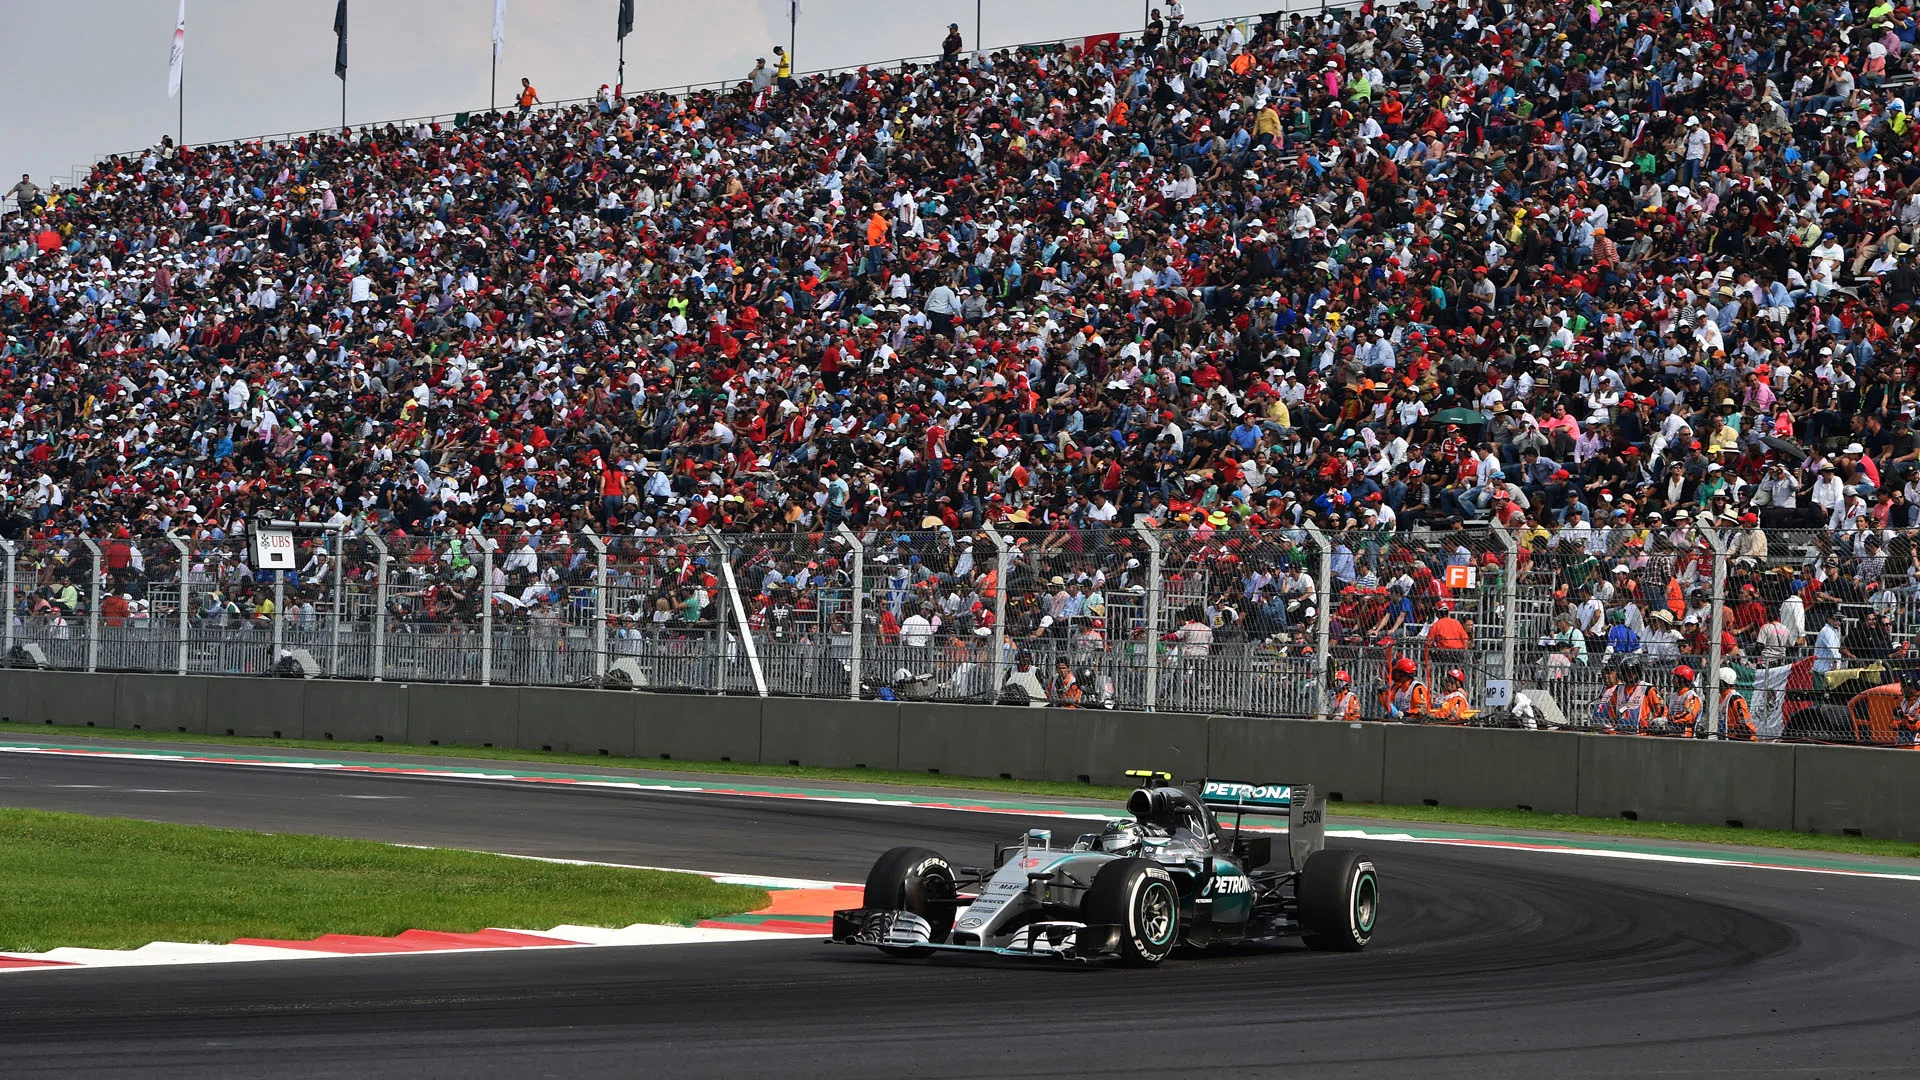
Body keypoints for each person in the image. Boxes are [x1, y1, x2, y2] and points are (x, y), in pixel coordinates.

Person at [1598, 659, 1662, 735]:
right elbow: (1611, 707)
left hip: (1640, 732)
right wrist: (1614, 724)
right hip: (1621, 731)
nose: (1629, 675)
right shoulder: (1618, 689)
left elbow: (1659, 708)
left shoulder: (1647, 688)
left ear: (1638, 672)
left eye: (1632, 672)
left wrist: (1651, 725)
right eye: (1626, 672)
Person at [1379, 656, 1429, 721]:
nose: (1392, 674)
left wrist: (1405, 714)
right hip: (1400, 721)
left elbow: (1422, 709)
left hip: (1413, 723)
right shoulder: (1397, 687)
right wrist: (1381, 690)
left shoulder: (1417, 687)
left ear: (1402, 673)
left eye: (1395, 671)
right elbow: (1388, 705)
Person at [1664, 665, 1703, 739]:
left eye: (1675, 677)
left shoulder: (1691, 696)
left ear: (1682, 679)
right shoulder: (1673, 696)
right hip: (1673, 734)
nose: (1672, 680)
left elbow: (1689, 716)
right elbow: (1667, 712)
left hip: (1687, 736)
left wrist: (1669, 720)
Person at [1718, 668, 1756, 740]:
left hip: (1736, 737)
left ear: (1723, 682)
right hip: (1725, 736)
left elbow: (1744, 722)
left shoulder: (1735, 698)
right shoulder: (1719, 696)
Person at [1893, 675, 1920, 749]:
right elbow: (1893, 724)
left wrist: (1903, 719)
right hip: (1903, 742)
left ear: (1913, 687)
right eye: (1903, 686)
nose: (1902, 690)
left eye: (1905, 687)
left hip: (1916, 744)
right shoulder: (1904, 702)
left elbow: (1915, 726)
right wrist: (1906, 720)